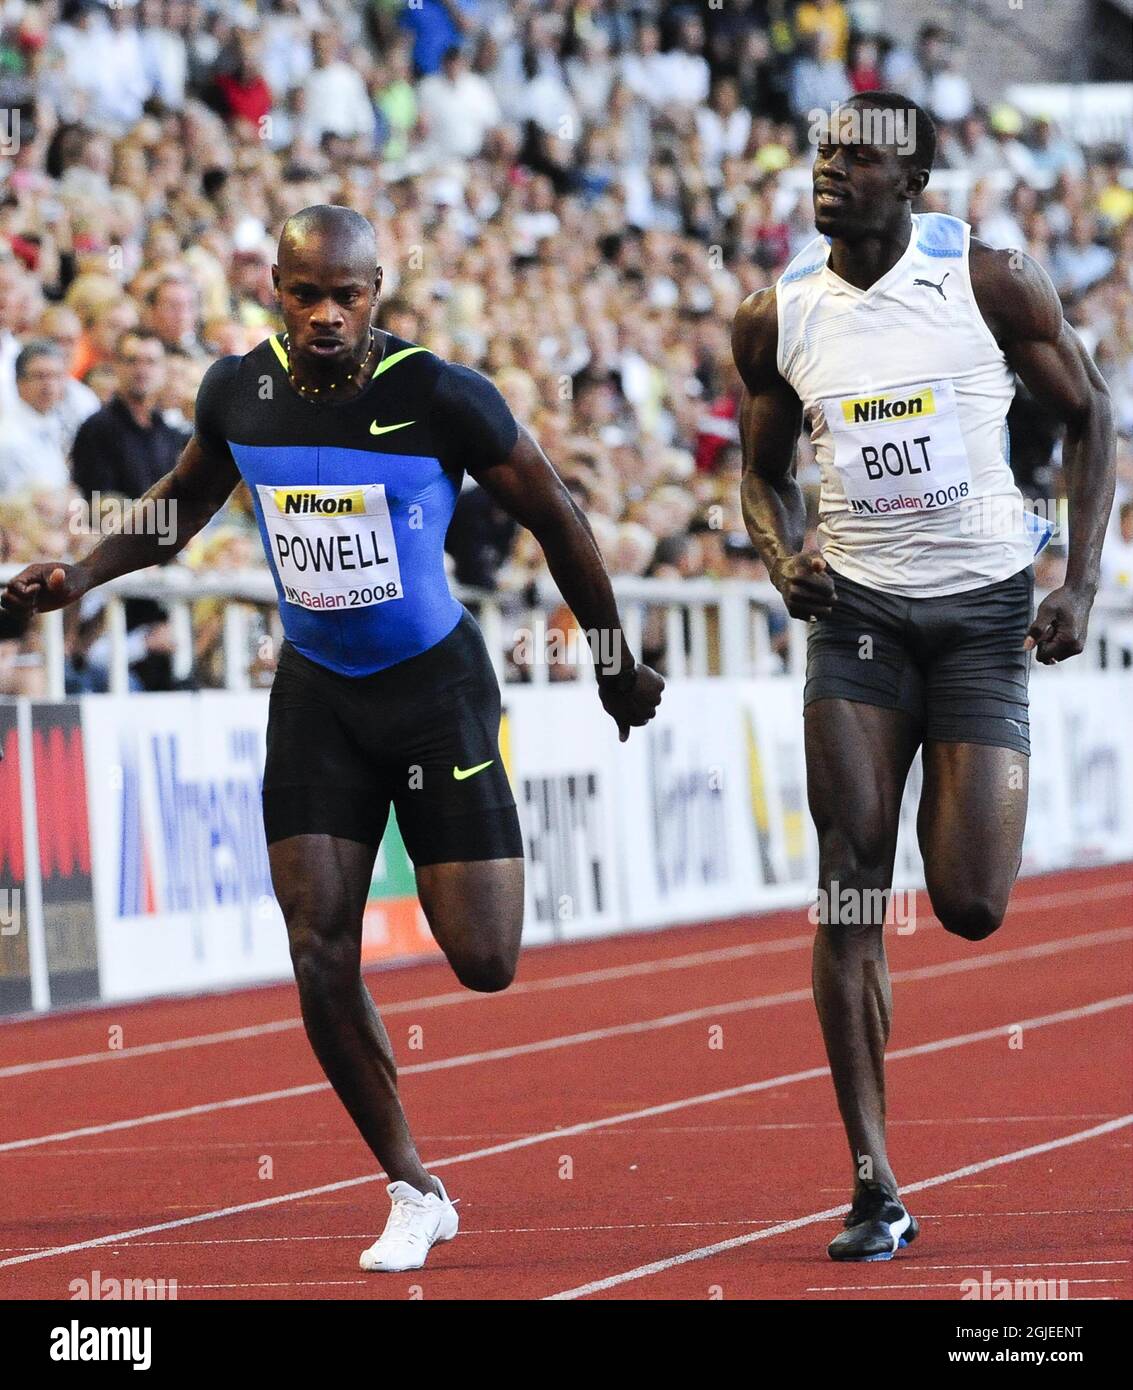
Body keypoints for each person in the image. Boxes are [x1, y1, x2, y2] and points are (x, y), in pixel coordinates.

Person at [2, 204, 664, 1273]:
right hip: (316, 692)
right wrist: (74, 576)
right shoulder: (237, 392)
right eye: (304, 292)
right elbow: (178, 507)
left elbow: (556, 515)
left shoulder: (436, 395)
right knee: (318, 945)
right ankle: (412, 1184)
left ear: (375, 298)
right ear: (274, 287)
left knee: (484, 959)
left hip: (435, 687)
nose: (322, 314)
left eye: (344, 296)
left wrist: (612, 661)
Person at [732, 92, 1114, 1261]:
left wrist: (1077, 582)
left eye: (861, 158)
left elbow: (1092, 416)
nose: (831, 171)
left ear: (915, 180)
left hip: (985, 615)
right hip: (857, 619)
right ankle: (871, 1180)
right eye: (824, 153)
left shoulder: (991, 282)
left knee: (969, 902)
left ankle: (878, 1165)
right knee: (849, 878)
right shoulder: (775, 313)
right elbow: (758, 472)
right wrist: (776, 552)